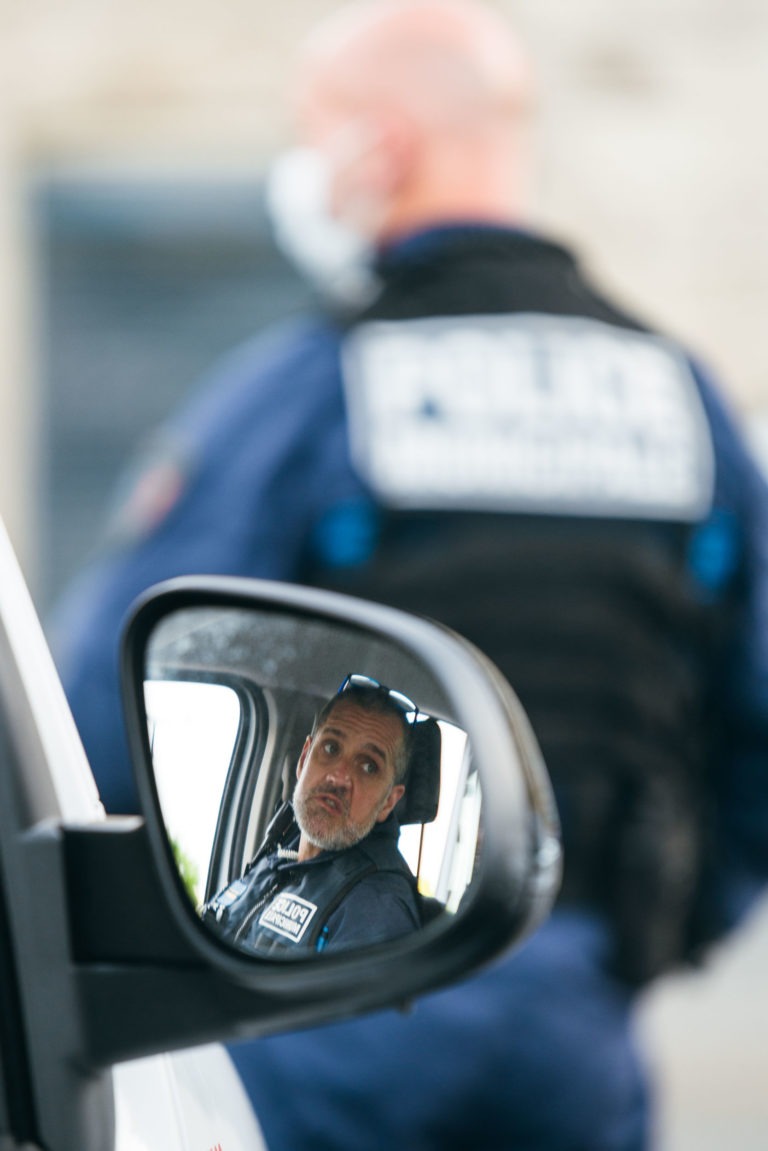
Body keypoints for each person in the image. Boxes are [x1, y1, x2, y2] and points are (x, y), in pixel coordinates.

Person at [51, 1, 768, 1148]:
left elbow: (101, 692)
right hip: (575, 1015)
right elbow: (758, 720)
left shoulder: (309, 390)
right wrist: (653, 930)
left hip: (331, 1025)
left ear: (375, 146)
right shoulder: (690, 404)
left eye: (310, 130)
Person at [202, 676, 421, 955]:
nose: (339, 777)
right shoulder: (275, 858)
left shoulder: (377, 910)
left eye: (368, 766)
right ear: (304, 758)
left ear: (388, 802)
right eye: (330, 748)